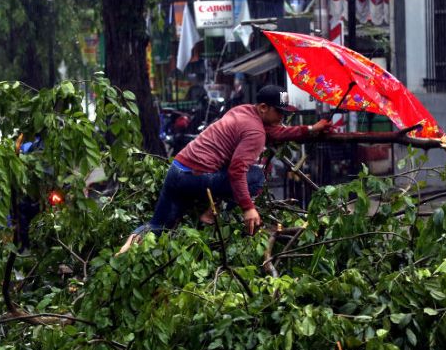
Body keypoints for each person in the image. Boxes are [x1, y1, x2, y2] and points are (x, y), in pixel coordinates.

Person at [121, 85, 332, 253]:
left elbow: (275, 132)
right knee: (256, 175)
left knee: (158, 226)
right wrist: (248, 208)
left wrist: (311, 129)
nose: (282, 118)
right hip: (196, 177)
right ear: (263, 108)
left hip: (177, 170)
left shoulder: (242, 111)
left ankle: (122, 255)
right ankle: (216, 215)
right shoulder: (255, 132)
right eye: (279, 112)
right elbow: (236, 171)